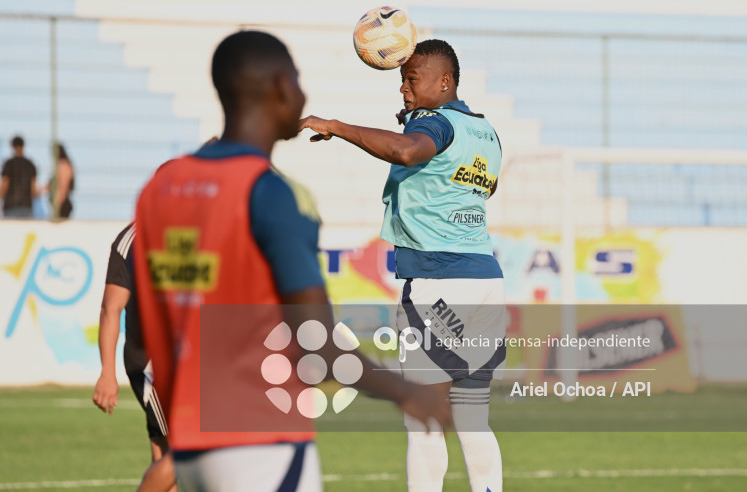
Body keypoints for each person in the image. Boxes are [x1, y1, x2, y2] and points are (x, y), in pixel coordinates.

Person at [133, 30, 451, 492]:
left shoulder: (161, 188)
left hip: (190, 443)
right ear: (281, 88)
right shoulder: (273, 194)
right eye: (298, 80)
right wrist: (406, 392)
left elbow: (146, 327)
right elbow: (316, 342)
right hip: (260, 442)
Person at [300, 39, 506, 492]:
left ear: (444, 82)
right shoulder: (485, 131)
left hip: (439, 282)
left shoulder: (435, 125)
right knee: (473, 416)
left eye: (412, 80)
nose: (403, 90)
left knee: (423, 415)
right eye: (401, 81)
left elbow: (407, 152)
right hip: (486, 281)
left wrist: (337, 126)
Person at [92, 222, 176, 492]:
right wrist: (107, 372)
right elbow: (111, 308)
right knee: (188, 449)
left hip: (192, 364)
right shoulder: (132, 239)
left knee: (163, 450)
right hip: (153, 365)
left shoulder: (202, 225)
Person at [1, 135, 38, 218]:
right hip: (27, 207)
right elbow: (33, 191)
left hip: (10, 207)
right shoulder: (30, 165)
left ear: (12, 146)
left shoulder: (8, 164)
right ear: (23, 146)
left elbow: (4, 185)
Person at [47, 142, 75, 219]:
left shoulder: (63, 165)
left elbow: (63, 186)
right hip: (60, 203)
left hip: (61, 204)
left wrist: (57, 205)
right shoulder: (62, 164)